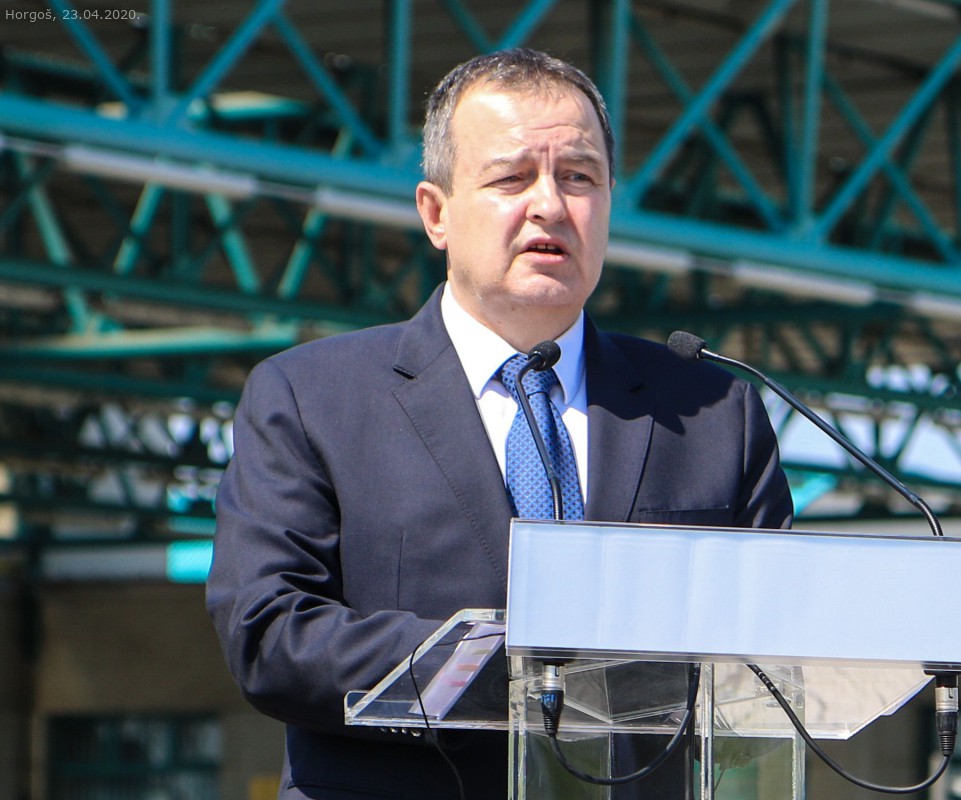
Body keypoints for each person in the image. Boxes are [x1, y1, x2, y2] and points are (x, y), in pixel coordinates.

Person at [206, 48, 793, 800]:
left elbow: (780, 643)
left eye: (579, 177)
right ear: (436, 213)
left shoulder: (713, 409)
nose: (550, 204)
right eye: (512, 178)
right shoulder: (310, 398)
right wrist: (498, 666)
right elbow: (269, 632)